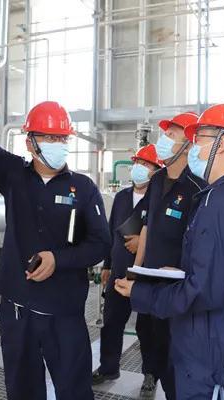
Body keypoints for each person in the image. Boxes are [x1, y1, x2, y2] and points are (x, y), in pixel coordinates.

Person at [0, 29, 110, 400]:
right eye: (50, 138)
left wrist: (59, 259)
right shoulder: (13, 176)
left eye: (62, 138)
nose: (58, 145)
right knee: (22, 390)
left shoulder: (83, 188)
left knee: (74, 391)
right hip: (18, 311)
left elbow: (101, 244)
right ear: (30, 142)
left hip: (64, 313)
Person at [115, 103, 224, 399]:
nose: (193, 148)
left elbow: (202, 293)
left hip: (207, 358)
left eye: (199, 139)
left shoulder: (218, 203)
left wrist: (141, 293)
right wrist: (186, 273)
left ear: (221, 144)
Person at [132, 111, 205, 399]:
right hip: (149, 280)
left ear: (187, 145)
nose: (163, 140)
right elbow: (147, 226)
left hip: (177, 288)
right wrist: (135, 270)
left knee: (175, 354)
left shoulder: (197, 187)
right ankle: (151, 376)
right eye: (165, 133)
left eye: (171, 134)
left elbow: (200, 243)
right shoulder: (157, 179)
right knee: (150, 339)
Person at [92, 144, 163, 385]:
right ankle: (108, 368)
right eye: (137, 163)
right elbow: (112, 232)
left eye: (146, 164)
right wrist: (107, 265)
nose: (139, 168)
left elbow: (165, 236)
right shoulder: (122, 197)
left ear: (156, 171)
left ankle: (150, 375)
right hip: (119, 271)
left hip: (146, 275)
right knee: (112, 322)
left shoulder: (159, 199)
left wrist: (143, 242)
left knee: (147, 328)